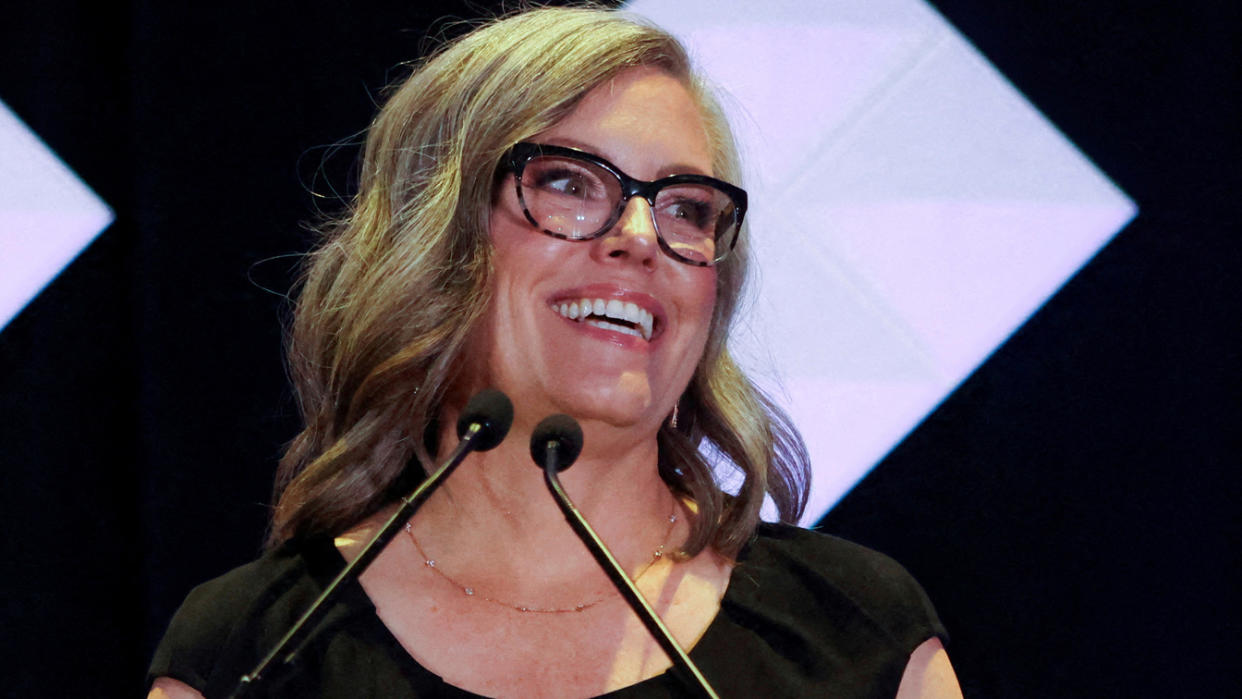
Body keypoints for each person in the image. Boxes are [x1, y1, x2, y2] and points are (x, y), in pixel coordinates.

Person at [148, 6, 962, 698]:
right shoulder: (258, 651)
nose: (640, 238)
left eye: (684, 206)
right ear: (435, 244)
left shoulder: (857, 637)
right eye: (571, 184)